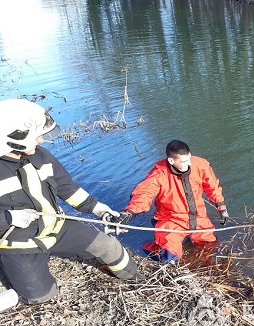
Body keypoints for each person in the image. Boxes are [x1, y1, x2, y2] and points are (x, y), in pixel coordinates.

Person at [0, 98, 143, 305]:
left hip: (56, 228)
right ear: (13, 139)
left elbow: (68, 188)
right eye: (36, 136)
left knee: (109, 245)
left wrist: (100, 209)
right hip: (19, 243)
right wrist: (8, 218)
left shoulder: (41, 156)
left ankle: (137, 279)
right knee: (40, 295)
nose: (41, 140)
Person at [115, 140, 229, 263]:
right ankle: (152, 248)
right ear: (171, 161)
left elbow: (212, 186)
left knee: (210, 245)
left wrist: (221, 207)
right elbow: (144, 194)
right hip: (171, 220)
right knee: (170, 258)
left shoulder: (200, 165)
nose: (189, 163)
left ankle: (196, 259)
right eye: (184, 161)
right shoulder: (159, 175)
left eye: (189, 158)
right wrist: (129, 213)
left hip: (198, 217)